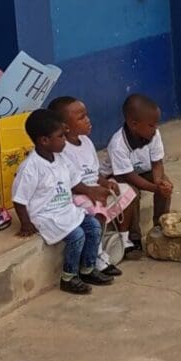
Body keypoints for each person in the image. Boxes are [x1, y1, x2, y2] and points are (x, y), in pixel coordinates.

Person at [15, 109, 112, 295]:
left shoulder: (60, 158)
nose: (64, 140)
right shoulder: (30, 167)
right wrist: (26, 224)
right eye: (60, 136)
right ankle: (69, 277)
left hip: (65, 209)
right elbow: (19, 200)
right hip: (46, 215)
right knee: (77, 236)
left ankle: (88, 269)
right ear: (44, 141)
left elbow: (75, 180)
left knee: (93, 226)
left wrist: (92, 191)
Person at [49, 95, 128, 277]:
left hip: (92, 188)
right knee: (95, 212)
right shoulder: (62, 149)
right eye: (81, 118)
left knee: (127, 192)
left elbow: (93, 172)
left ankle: (124, 241)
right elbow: (70, 182)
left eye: (87, 115)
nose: (88, 120)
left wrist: (105, 182)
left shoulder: (87, 142)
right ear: (65, 127)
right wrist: (92, 191)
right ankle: (96, 257)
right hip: (76, 194)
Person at [106, 93, 174, 254]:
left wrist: (159, 182)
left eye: (156, 124)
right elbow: (129, 176)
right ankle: (133, 236)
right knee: (132, 193)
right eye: (151, 125)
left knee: (166, 183)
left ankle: (160, 226)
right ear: (134, 124)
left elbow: (157, 162)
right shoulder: (117, 144)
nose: (155, 128)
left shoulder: (153, 134)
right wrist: (155, 188)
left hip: (143, 171)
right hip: (119, 176)